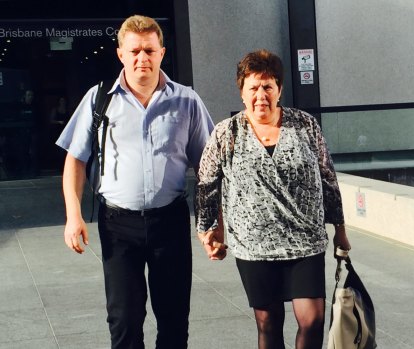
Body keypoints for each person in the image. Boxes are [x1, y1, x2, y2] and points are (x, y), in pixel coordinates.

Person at [56, 15, 214, 349]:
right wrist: (73, 215)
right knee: (124, 320)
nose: (142, 57)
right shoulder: (100, 99)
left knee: (173, 319)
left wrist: (214, 221)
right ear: (120, 55)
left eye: (149, 50)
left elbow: (209, 168)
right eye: (135, 51)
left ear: (162, 53)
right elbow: (76, 160)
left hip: (169, 222)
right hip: (117, 225)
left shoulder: (186, 100)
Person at [195, 49, 351, 349]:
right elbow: (206, 184)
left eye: (268, 86)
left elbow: (328, 178)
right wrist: (208, 231)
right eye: (253, 87)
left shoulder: (304, 125)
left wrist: (340, 230)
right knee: (268, 323)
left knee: (313, 319)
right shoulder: (226, 133)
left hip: (305, 241)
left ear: (279, 89)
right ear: (242, 92)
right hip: (254, 246)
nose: (261, 95)